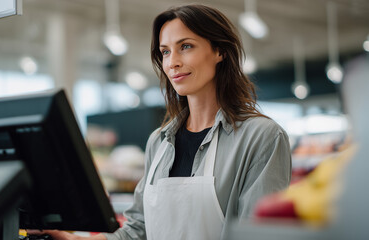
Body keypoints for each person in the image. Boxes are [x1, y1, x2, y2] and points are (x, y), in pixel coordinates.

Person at [29, 3, 291, 240]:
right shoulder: (160, 141)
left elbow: (258, 234)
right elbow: (137, 230)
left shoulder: (261, 137)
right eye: (165, 52)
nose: (173, 62)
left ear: (219, 51)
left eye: (185, 47)